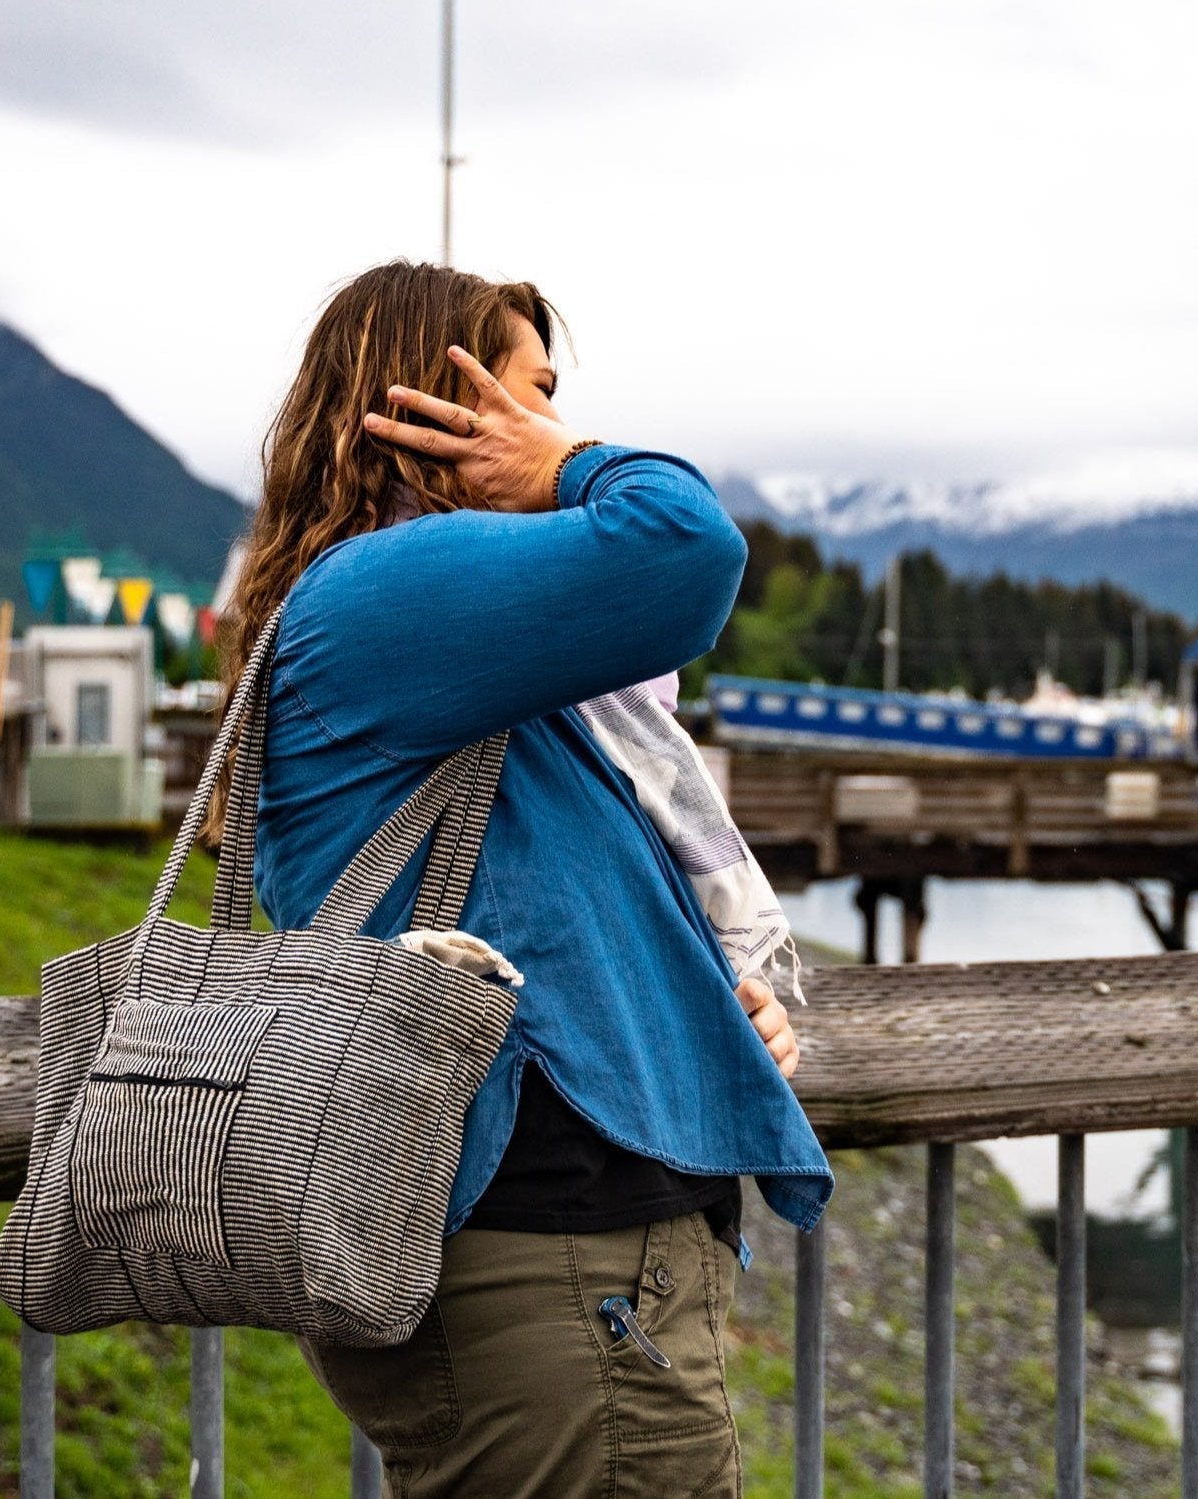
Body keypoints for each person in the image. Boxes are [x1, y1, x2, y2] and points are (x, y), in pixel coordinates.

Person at [215, 260, 833, 1498]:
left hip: (568, 1269)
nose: (555, 423)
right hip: (556, 1271)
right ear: (449, 410)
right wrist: (574, 462)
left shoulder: (437, 640)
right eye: (533, 394)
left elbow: (549, 900)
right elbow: (684, 543)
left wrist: (703, 1016)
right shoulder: (387, 592)